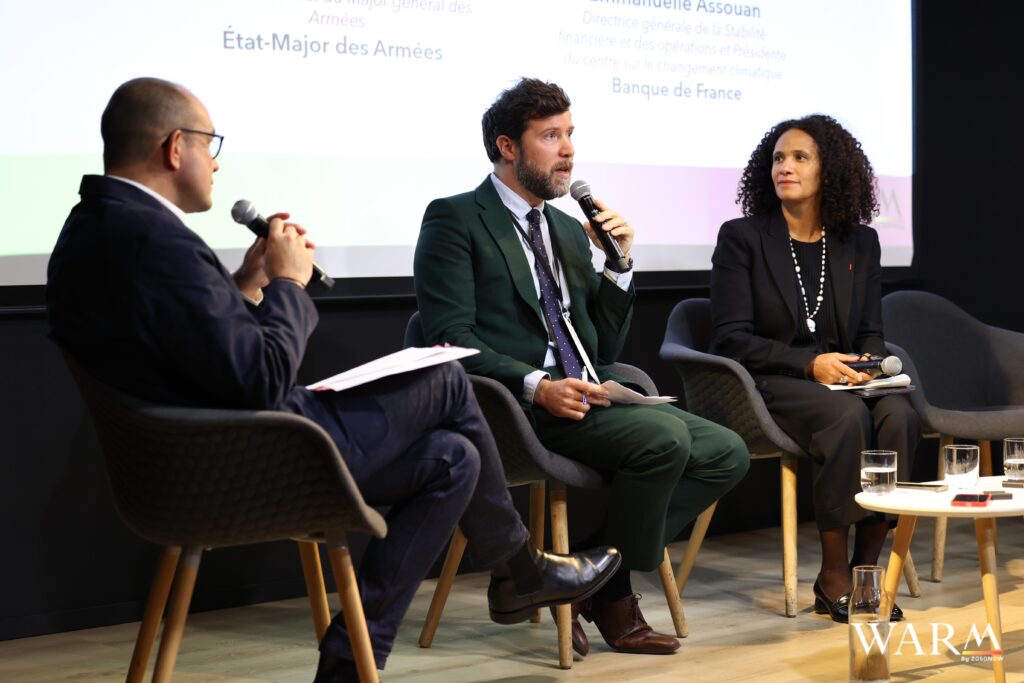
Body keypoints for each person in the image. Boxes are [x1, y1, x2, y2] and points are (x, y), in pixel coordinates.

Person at [46, 77, 622, 683]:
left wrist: (248, 285)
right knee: (448, 382)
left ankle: (354, 661)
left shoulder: (100, 227)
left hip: (186, 455)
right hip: (233, 459)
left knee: (454, 458)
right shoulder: (153, 239)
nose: (215, 164)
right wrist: (291, 285)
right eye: (209, 145)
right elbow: (261, 380)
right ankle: (523, 574)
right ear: (173, 149)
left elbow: (199, 357)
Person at [414, 77, 749, 656]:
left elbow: (602, 341)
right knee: (665, 438)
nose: (568, 149)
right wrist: (537, 385)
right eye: (550, 136)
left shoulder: (568, 228)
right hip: (514, 407)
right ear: (508, 147)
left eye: (570, 134)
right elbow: (449, 339)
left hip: (587, 393)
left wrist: (618, 266)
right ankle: (612, 595)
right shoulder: (455, 219)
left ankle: (574, 573)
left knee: (727, 452)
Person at [709, 114, 921, 623]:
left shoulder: (858, 242)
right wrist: (810, 365)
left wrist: (869, 370)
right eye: (779, 158)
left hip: (844, 379)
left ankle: (866, 570)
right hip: (773, 382)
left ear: (832, 171)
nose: (785, 167)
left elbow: (870, 330)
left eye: (800, 157)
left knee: (900, 416)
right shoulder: (743, 237)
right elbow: (731, 339)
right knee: (844, 418)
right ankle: (833, 577)